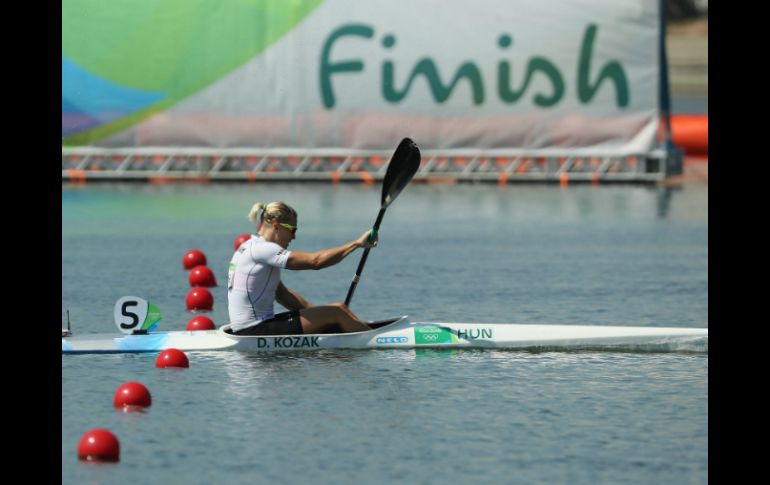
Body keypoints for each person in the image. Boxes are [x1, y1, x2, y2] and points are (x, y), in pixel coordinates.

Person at [226, 201, 376, 336]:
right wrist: (356, 244)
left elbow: (283, 295)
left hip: (252, 327)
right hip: (254, 330)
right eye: (292, 230)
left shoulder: (249, 247)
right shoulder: (263, 249)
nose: (294, 237)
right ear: (276, 225)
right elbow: (315, 262)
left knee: (339, 308)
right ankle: (375, 339)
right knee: (337, 313)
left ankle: (362, 332)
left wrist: (321, 318)